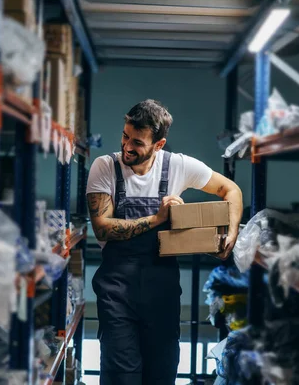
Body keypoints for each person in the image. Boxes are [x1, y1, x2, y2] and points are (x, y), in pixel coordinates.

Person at [86, 99, 243, 385]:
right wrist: (158, 218)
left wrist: (230, 235)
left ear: (158, 145)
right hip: (117, 291)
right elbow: (102, 228)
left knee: (162, 374)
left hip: (163, 291)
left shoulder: (178, 166)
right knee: (121, 376)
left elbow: (230, 189)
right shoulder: (105, 167)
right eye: (125, 136)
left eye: (137, 142)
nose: (127, 147)